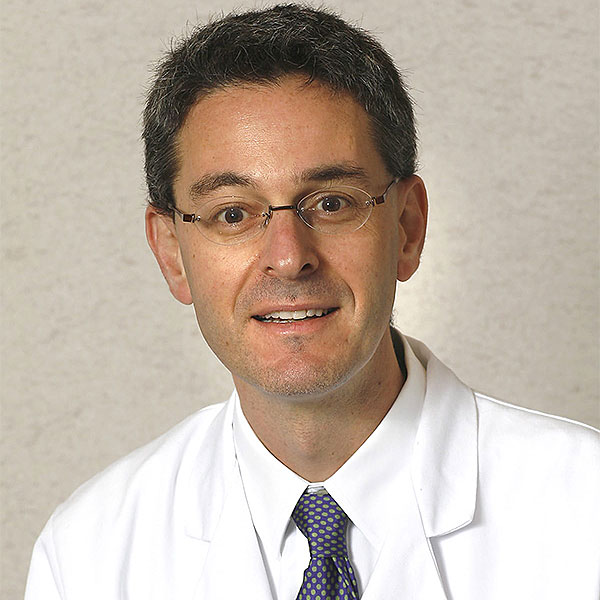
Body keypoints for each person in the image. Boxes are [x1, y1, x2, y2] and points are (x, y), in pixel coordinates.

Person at [25, 4, 599, 599]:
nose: (288, 256)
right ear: (172, 253)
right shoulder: (88, 556)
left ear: (407, 228)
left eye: (331, 203)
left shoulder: (585, 513)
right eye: (232, 214)